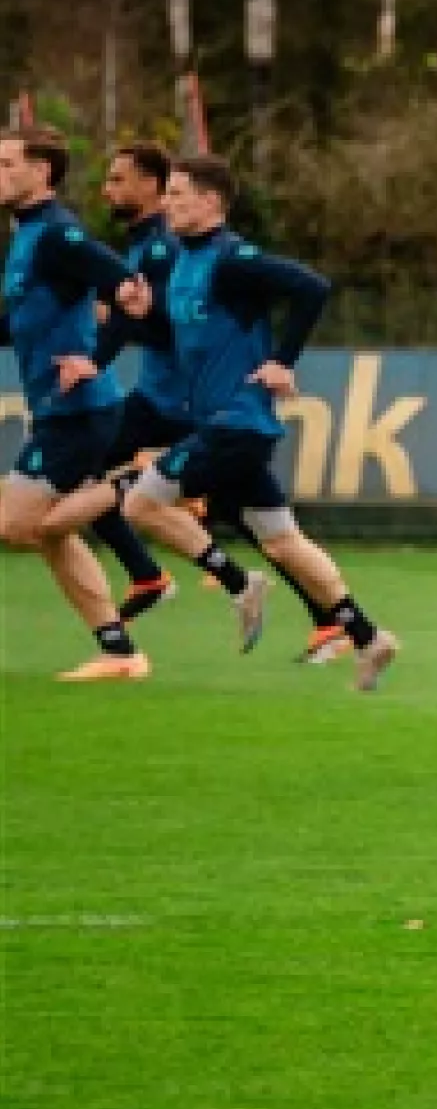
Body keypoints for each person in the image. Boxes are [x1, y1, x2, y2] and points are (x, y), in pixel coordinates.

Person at [105, 154, 402, 691]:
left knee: (140, 502)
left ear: (210, 202)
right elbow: (179, 342)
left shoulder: (232, 259)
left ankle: (239, 583)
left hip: (234, 423)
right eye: (167, 194)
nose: (167, 204)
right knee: (284, 541)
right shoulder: (183, 265)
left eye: (177, 194)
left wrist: (282, 361)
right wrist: (142, 314)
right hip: (224, 425)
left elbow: (313, 288)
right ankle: (368, 637)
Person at [0, 125, 152, 680]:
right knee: (42, 531)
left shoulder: (57, 236)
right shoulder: (26, 237)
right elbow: (21, 323)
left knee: (15, 524)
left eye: (7, 163)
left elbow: (132, 290)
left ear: (41, 172)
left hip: (79, 412)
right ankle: (118, 652)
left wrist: (94, 356)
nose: (0, 173)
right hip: (62, 411)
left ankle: (135, 481)